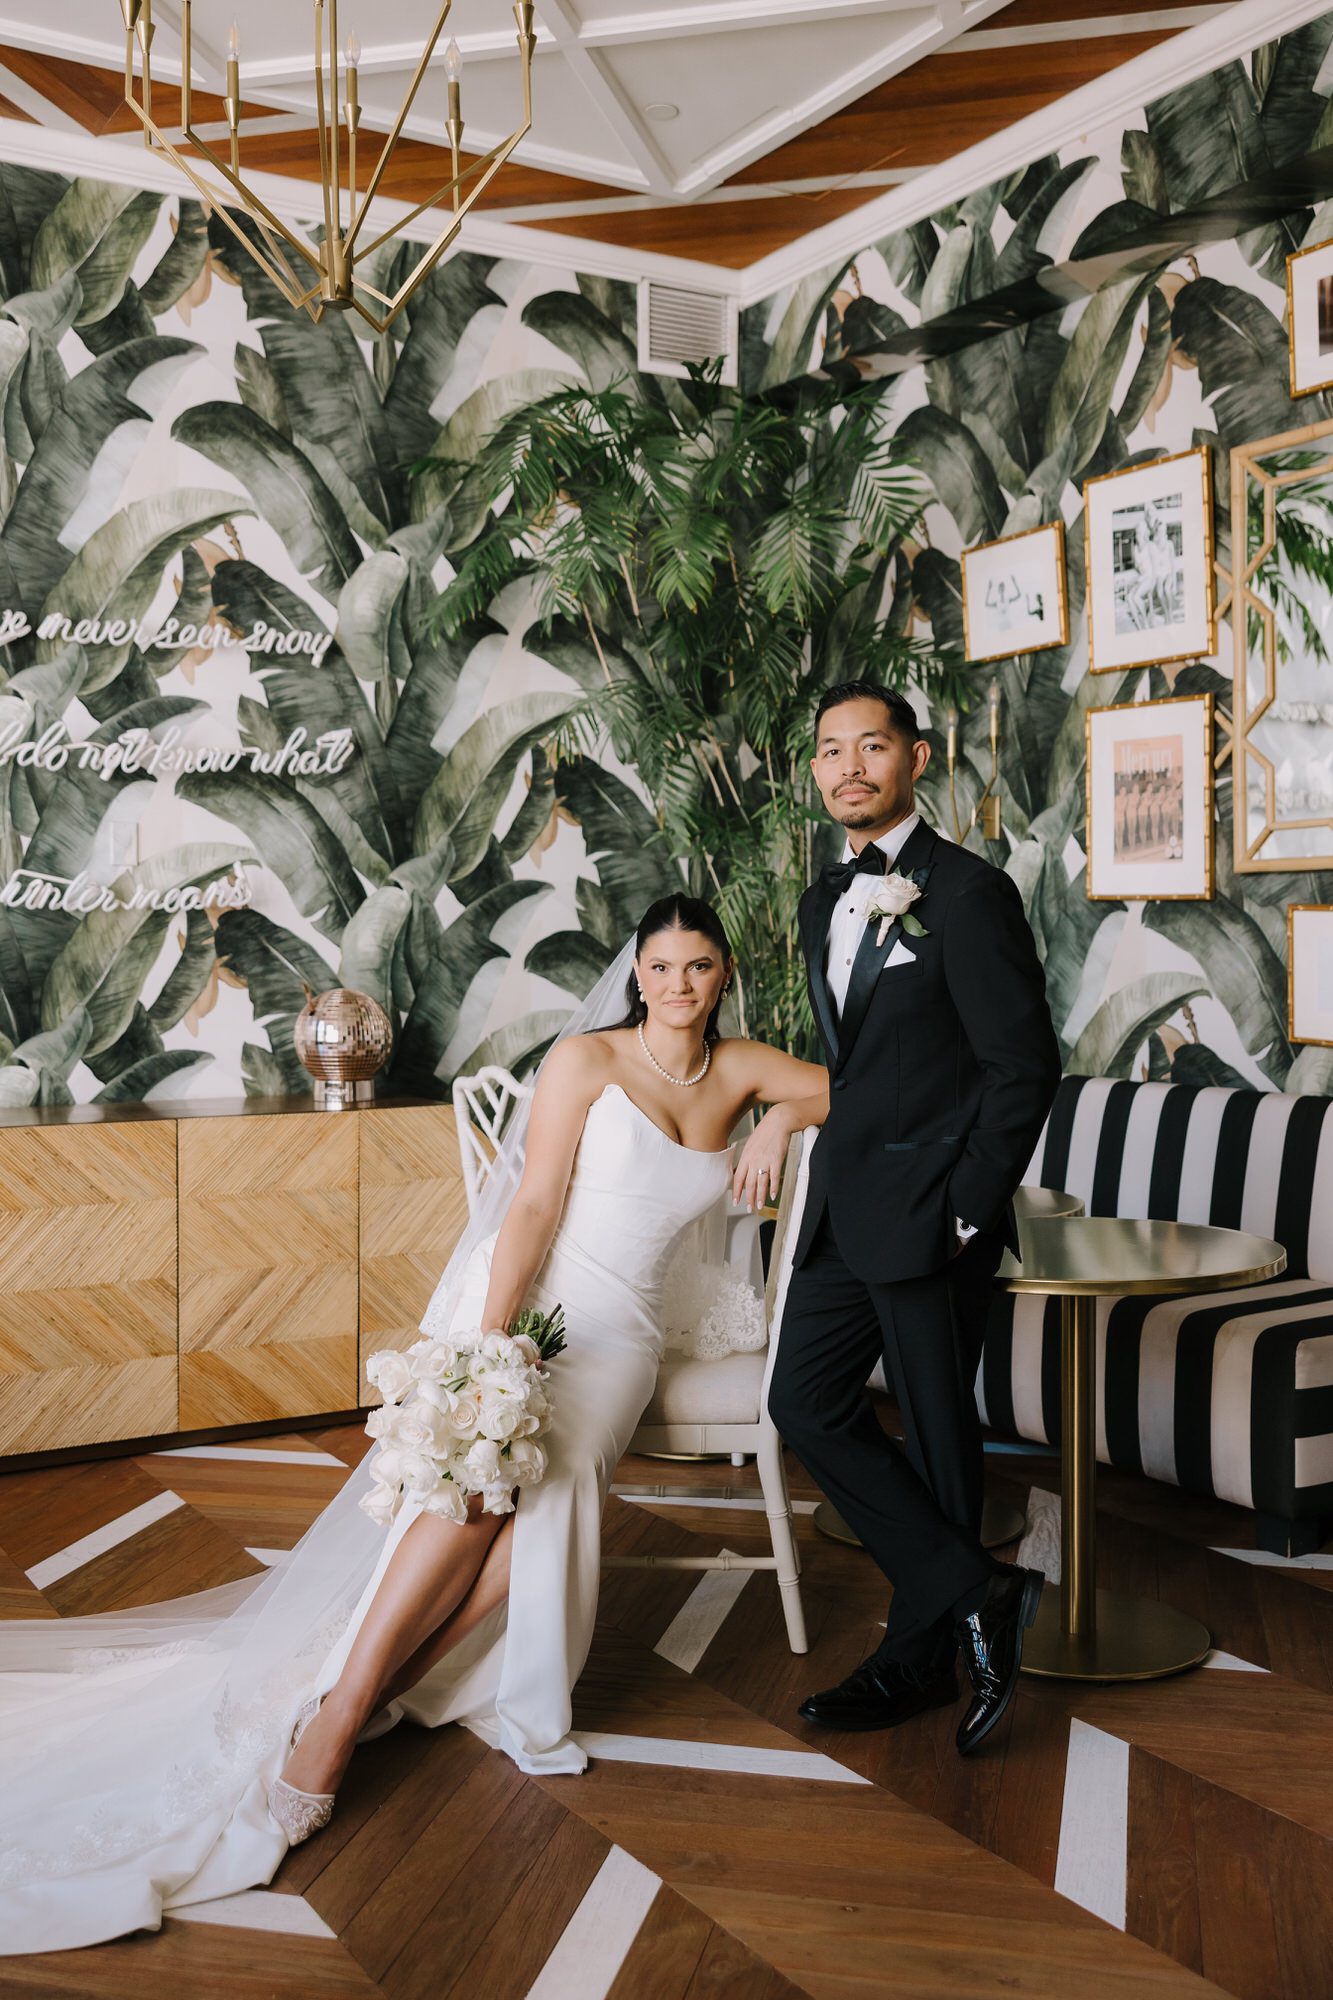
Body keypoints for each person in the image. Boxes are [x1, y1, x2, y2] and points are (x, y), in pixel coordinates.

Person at [0, 893, 827, 1954]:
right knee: (482, 1484)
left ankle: (379, 1683)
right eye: (660, 966)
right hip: (536, 1299)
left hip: (624, 1338)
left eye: (699, 966)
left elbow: (842, 1085)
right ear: (638, 975)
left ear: (722, 975)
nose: (678, 984)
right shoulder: (588, 1059)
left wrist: (777, 1118)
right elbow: (531, 1204)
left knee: (542, 1497)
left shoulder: (746, 1067)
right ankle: (343, 1708)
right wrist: (491, 1344)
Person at [768, 681, 1061, 1755]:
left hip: (934, 1218)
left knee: (942, 1445)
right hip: (846, 1208)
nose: (848, 766)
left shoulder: (970, 893)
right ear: (815, 771)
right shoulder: (820, 900)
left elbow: (1020, 1068)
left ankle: (917, 1657)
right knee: (801, 1398)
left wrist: (963, 1213)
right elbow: (862, 1068)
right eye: (830, 750)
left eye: (871, 746)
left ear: (916, 757)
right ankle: (979, 1591)